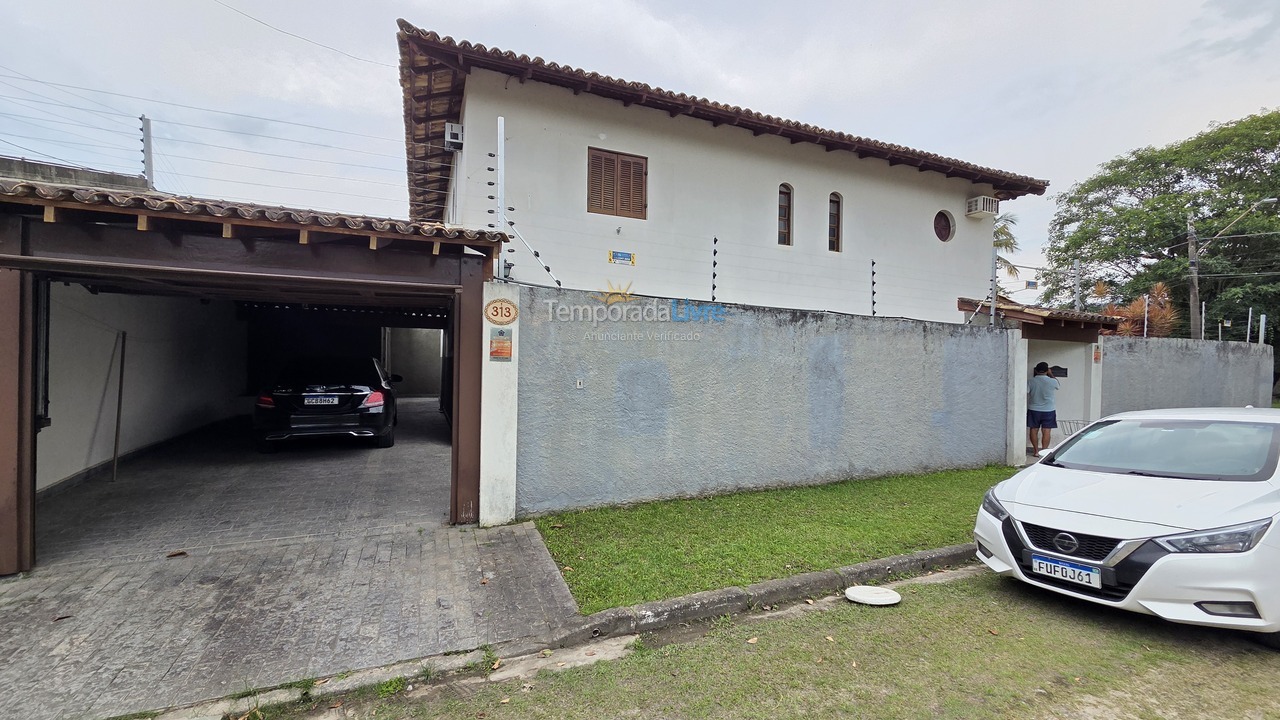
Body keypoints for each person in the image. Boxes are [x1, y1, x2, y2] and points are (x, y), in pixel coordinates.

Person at [1027, 361, 1060, 455]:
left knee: (1033, 429)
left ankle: (1036, 451)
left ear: (1036, 370)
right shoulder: (1053, 381)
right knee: (1046, 431)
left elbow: (1026, 391)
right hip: (1049, 409)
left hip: (1033, 409)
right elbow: (1058, 386)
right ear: (1047, 370)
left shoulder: (1031, 381)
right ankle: (1044, 452)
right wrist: (1051, 374)